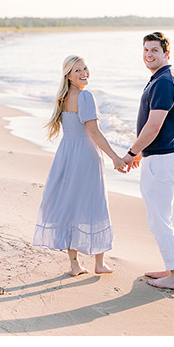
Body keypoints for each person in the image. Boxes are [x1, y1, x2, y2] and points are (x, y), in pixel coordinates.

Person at [34, 55, 128, 276]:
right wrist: (115, 157)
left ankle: (75, 264)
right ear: (68, 74)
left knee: (71, 206)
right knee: (95, 205)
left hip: (66, 155)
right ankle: (99, 263)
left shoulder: (64, 97)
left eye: (85, 68)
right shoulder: (85, 96)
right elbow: (94, 132)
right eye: (78, 70)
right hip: (85, 156)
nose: (84, 73)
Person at [122, 31, 174, 290]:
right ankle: (173, 267)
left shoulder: (163, 81)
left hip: (163, 160)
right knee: (170, 217)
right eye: (146, 50)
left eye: (154, 51)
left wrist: (131, 152)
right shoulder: (163, 78)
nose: (149, 55)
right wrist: (141, 152)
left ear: (166, 54)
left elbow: (153, 126)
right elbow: (157, 128)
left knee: (159, 219)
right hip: (167, 156)